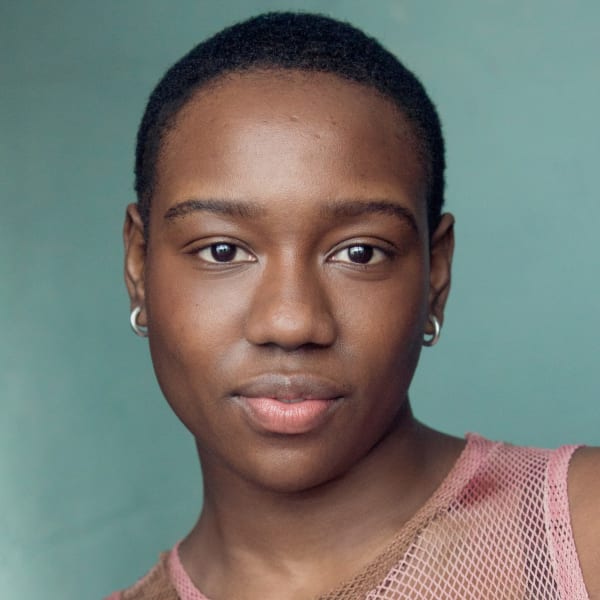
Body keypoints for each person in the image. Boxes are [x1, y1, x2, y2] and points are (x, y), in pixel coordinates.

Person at [109, 12, 600, 600]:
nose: (291, 322)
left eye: (360, 253)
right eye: (223, 250)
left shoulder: (579, 537)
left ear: (436, 273)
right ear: (138, 265)